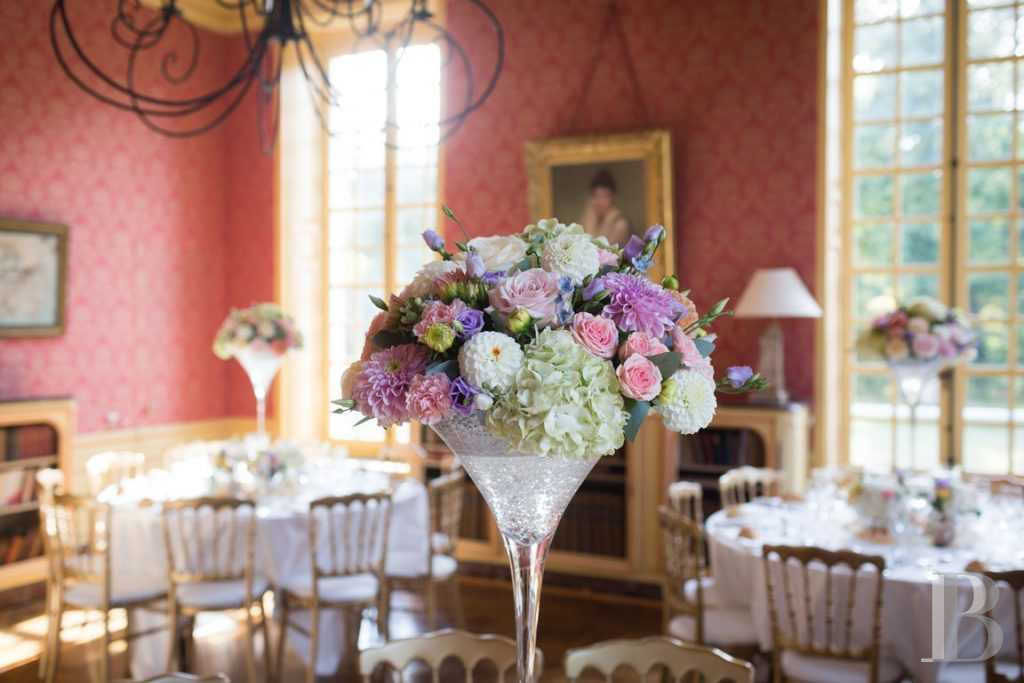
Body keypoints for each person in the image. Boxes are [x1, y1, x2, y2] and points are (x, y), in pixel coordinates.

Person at [580, 169, 631, 247]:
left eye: (604, 197)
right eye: (595, 196)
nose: (599, 202)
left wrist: (593, 225)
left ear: (613, 197)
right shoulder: (589, 217)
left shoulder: (620, 224)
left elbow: (602, 250)